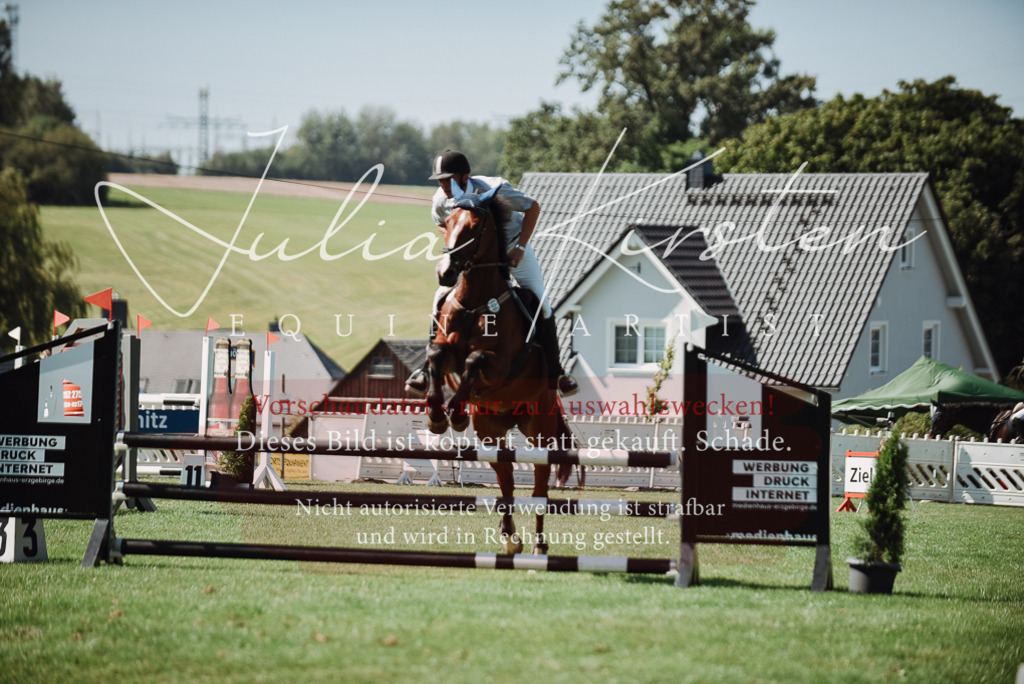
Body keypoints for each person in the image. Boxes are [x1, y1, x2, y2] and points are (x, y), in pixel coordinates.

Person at [405, 149, 579, 397]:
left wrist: (520, 247)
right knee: (440, 298)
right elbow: (442, 224)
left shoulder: (496, 188)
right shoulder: (440, 201)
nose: (443, 185)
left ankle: (557, 372)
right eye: (440, 180)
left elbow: (533, 207)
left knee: (541, 301)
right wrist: (452, 253)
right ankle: (425, 370)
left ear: (465, 177)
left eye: (448, 179)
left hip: (511, 247)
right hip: (474, 256)